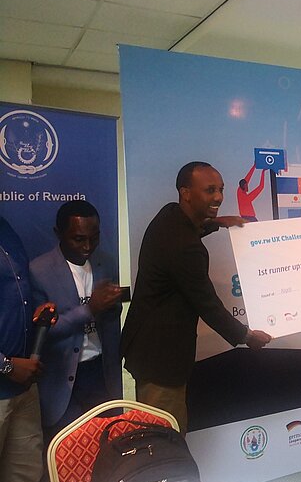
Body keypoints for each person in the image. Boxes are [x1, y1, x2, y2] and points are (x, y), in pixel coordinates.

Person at [121, 162, 272, 434]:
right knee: (166, 434)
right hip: (161, 359)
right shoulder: (186, 248)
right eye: (210, 190)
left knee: (159, 427)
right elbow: (208, 305)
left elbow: (191, 228)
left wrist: (217, 223)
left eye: (221, 189)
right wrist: (246, 336)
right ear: (186, 193)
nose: (219, 197)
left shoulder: (169, 215)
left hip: (144, 347)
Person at [30, 200, 123, 444]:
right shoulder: (39, 271)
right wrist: (90, 309)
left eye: (94, 238)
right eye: (79, 239)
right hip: (62, 380)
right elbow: (41, 335)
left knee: (107, 450)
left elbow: (111, 321)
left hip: (102, 374)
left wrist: (112, 306)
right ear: (58, 234)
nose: (87, 246)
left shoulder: (106, 262)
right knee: (68, 453)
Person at [1, 216, 54, 482]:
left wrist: (35, 309)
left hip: (23, 387)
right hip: (8, 376)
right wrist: (7, 366)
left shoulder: (6, 228)